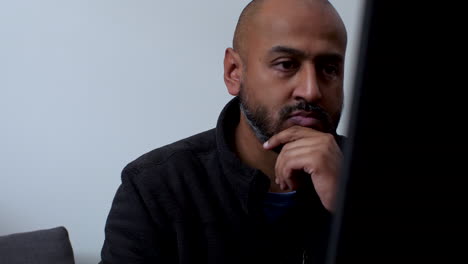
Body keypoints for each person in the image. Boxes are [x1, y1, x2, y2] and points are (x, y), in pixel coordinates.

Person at [100, 0, 348, 263]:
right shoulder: (156, 188)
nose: (311, 90)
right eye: (286, 64)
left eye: (329, 69)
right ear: (234, 72)